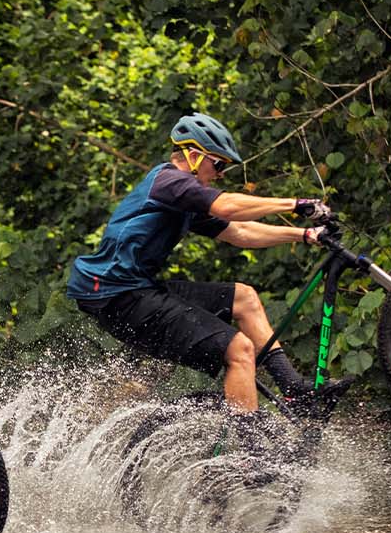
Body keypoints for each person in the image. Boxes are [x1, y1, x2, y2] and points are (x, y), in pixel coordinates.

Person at [67, 112, 353, 421]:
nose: (219, 174)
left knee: (244, 297)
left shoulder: (183, 196)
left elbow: (239, 232)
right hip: (117, 294)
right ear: (192, 155)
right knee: (240, 350)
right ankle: (252, 457)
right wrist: (294, 204)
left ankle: (293, 388)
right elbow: (227, 205)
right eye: (217, 164)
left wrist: (305, 235)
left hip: (138, 289)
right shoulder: (170, 181)